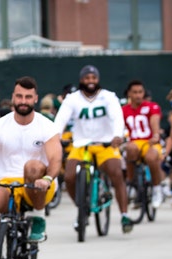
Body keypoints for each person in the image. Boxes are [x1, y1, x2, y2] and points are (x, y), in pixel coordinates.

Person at [0, 76, 61, 259]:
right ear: (13, 97)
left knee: (32, 166)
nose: (23, 100)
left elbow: (56, 158)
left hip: (38, 182)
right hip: (7, 181)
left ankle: (38, 216)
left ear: (35, 99)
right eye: (19, 96)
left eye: (28, 97)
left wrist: (47, 178)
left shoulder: (46, 126)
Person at [54, 65, 132, 233]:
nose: (90, 81)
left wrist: (117, 135)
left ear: (98, 79)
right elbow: (60, 119)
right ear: (81, 80)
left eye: (93, 78)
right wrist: (57, 136)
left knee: (117, 173)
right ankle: (82, 209)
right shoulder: (72, 99)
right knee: (69, 176)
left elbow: (117, 117)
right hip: (82, 145)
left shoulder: (108, 97)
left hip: (105, 144)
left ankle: (124, 215)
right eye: (87, 78)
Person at [121, 79, 163, 207]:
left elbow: (154, 121)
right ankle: (132, 184)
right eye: (135, 92)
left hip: (150, 142)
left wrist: (155, 135)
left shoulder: (152, 107)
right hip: (134, 143)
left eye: (140, 92)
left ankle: (157, 188)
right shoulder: (123, 110)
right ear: (129, 93)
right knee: (130, 148)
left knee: (151, 157)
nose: (138, 95)